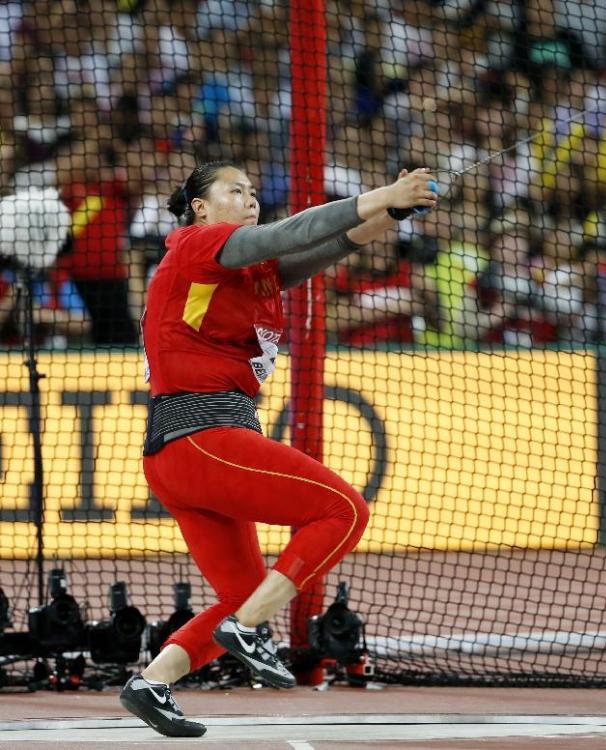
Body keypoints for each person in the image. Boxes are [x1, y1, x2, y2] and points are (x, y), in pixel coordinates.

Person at [119, 159, 438, 737]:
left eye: (252, 193)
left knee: (243, 593)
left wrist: (389, 212)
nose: (249, 200)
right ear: (200, 206)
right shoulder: (197, 245)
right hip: (204, 437)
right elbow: (288, 234)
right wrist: (381, 191)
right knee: (342, 511)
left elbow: (324, 247)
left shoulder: (244, 272)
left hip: (181, 451)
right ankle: (248, 630)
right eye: (234, 191)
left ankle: (152, 682)